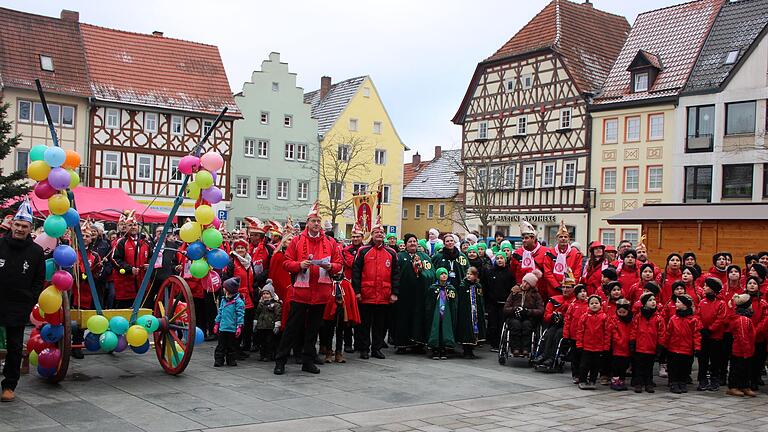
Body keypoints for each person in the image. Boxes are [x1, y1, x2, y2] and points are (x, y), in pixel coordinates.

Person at [274, 202, 342, 375]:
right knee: (291, 328)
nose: (316, 224)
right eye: (313, 221)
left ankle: (308, 361)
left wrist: (330, 267)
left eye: (319, 221)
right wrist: (299, 265)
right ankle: (280, 361)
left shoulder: (330, 242)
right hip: (301, 293)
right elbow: (286, 262)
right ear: (308, 222)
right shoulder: (297, 241)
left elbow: (339, 264)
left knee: (313, 330)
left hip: (320, 293)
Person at [0, 201, 45, 402]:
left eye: (24, 226)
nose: (19, 229)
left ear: (29, 228)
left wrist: (29, 300)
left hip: (18, 305)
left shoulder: (36, 252)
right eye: (17, 225)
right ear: (12, 225)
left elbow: (38, 280)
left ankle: (9, 385)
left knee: (15, 346)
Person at [352, 218, 400, 359]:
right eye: (376, 232)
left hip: (384, 295)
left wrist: (395, 293)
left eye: (382, 232)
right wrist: (357, 291)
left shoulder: (391, 252)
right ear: (371, 235)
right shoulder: (363, 250)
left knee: (380, 325)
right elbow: (356, 272)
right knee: (364, 324)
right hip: (366, 294)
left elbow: (396, 274)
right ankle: (364, 348)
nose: (379, 234)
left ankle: (377, 348)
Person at [393, 233, 434, 352]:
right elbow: (395, 274)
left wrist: (422, 273)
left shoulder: (424, 257)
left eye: (414, 241)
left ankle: (418, 344)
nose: (413, 244)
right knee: (403, 319)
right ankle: (402, 344)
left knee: (418, 318)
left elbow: (431, 272)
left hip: (420, 294)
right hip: (404, 294)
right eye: (410, 242)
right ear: (405, 244)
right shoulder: (399, 256)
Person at [111, 211, 151, 309]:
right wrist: (129, 269)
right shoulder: (121, 242)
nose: (133, 227)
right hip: (126, 285)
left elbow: (151, 257)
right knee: (125, 310)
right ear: (126, 227)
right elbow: (114, 259)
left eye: (135, 225)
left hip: (142, 284)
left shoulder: (145, 242)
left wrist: (149, 265)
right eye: (130, 225)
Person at [664, 294, 701, 394]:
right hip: (673, 348)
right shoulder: (673, 319)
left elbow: (696, 335)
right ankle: (673, 382)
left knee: (684, 367)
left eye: (678, 302)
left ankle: (682, 382)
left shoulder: (693, 320)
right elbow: (668, 333)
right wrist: (664, 345)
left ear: (685, 305)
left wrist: (697, 347)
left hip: (686, 348)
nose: (676, 304)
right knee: (673, 366)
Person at [502, 271, 544, 357]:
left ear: (531, 285)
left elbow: (540, 310)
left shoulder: (536, 295)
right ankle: (515, 348)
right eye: (524, 281)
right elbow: (506, 308)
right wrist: (514, 309)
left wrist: (528, 311)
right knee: (515, 325)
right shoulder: (515, 291)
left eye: (527, 283)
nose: (524, 285)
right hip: (515, 316)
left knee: (527, 325)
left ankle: (526, 349)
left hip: (529, 317)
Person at [696, 278, 727, 391]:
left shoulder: (721, 303)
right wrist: (702, 328)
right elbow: (697, 316)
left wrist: (710, 329)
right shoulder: (702, 301)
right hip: (703, 335)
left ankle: (714, 378)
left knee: (715, 359)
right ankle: (702, 379)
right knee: (702, 359)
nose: (704, 288)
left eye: (706, 286)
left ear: (713, 289)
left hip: (715, 336)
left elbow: (721, 318)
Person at [533, 283, 574, 369]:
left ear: (573, 289)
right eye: (563, 287)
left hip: (568, 326)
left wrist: (563, 316)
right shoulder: (554, 299)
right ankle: (544, 355)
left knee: (558, 334)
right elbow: (546, 316)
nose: (565, 290)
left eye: (568, 288)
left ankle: (552, 358)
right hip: (555, 323)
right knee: (549, 333)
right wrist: (553, 315)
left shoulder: (575, 301)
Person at [630, 292, 665, 393]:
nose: (653, 302)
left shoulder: (658, 318)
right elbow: (633, 330)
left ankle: (649, 383)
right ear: (644, 303)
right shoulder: (638, 317)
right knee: (639, 366)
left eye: (654, 300)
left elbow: (661, 333)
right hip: (640, 347)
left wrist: (660, 346)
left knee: (649, 367)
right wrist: (632, 342)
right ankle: (639, 383)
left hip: (651, 347)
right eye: (650, 300)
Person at [576, 295, 610, 390]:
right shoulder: (584, 317)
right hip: (586, 347)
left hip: (598, 347)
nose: (594, 305)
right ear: (588, 305)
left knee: (595, 366)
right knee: (584, 365)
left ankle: (592, 380)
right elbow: (580, 331)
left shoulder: (604, 317)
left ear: (600, 304)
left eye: (596, 303)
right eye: (592, 303)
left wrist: (606, 346)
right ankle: (582, 380)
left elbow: (607, 333)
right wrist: (579, 344)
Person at [543, 221, 582, 301]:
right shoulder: (550, 253)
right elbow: (547, 272)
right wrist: (557, 286)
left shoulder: (576, 254)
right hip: (553, 290)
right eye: (561, 237)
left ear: (568, 239)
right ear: (557, 239)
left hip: (570, 290)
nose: (563, 239)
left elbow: (577, 271)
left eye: (565, 237)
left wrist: (570, 285)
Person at [727, 294, 756, 397]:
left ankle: (744, 386)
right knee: (737, 368)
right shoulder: (743, 319)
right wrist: (746, 350)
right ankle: (733, 386)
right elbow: (743, 336)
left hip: (744, 349)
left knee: (745, 369)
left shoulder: (744, 318)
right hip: (741, 350)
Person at [484, 251, 514, 352]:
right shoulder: (490, 272)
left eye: (501, 258)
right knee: (493, 324)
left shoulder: (510, 273)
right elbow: (487, 287)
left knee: (502, 324)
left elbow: (511, 287)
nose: (499, 260)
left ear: (505, 259)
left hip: (504, 303)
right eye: (497, 258)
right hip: (493, 303)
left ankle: (503, 342)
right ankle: (494, 344)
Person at [510, 221, 548, 298]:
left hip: (540, 293)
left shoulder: (546, 252)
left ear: (533, 238)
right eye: (522, 238)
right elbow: (513, 271)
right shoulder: (517, 253)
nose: (523, 240)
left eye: (526, 238)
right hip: (522, 292)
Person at [425, 268, 457, 359]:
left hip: (446, 315)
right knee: (436, 329)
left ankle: (444, 348)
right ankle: (435, 349)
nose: (444, 275)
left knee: (445, 330)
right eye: (441, 274)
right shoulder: (433, 288)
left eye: (445, 274)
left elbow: (454, 302)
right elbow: (429, 302)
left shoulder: (451, 288)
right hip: (436, 314)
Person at [214, 277, 245, 367]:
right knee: (221, 346)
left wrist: (239, 326)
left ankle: (231, 360)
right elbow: (220, 312)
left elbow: (240, 314)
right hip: (223, 328)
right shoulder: (223, 300)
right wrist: (217, 323)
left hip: (232, 328)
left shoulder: (238, 302)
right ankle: (219, 360)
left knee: (231, 346)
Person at [455, 266, 486, 358]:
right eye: (468, 274)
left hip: (475, 312)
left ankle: (471, 348)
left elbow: (480, 300)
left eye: (471, 274)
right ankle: (466, 349)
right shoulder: (463, 285)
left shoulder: (478, 286)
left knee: (475, 330)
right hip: (466, 312)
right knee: (466, 329)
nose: (469, 276)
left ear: (476, 276)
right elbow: (461, 300)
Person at [744, 276, 768, 391]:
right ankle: (746, 380)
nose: (752, 285)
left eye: (754, 283)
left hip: (758, 336)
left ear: (758, 286)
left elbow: (765, 319)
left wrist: (755, 330)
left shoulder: (762, 302)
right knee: (746, 360)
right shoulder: (742, 299)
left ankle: (755, 379)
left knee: (758, 359)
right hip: (744, 336)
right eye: (749, 283)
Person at [563, 284, 589, 384]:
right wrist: (566, 334)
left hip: (586, 336)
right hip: (574, 336)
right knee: (575, 357)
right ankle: (576, 374)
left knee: (584, 357)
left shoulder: (589, 304)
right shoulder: (573, 305)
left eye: (584, 291)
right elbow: (567, 320)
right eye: (580, 292)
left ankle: (583, 374)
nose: (583, 293)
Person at [254, 281, 282, 362]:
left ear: (271, 294)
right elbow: (257, 313)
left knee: (270, 342)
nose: (265, 295)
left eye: (267, 293)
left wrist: (277, 324)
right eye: (263, 294)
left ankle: (269, 355)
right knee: (262, 342)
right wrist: (255, 322)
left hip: (270, 326)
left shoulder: (275, 304)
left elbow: (278, 315)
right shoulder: (261, 304)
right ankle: (262, 354)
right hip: (261, 326)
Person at [610, 299, 633, 391]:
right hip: (617, 347)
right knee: (616, 365)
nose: (622, 314)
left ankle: (622, 379)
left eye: (624, 312)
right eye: (620, 312)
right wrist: (618, 340)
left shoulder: (631, 320)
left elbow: (633, 331)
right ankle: (615, 380)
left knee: (624, 365)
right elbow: (613, 331)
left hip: (626, 347)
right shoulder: (614, 319)